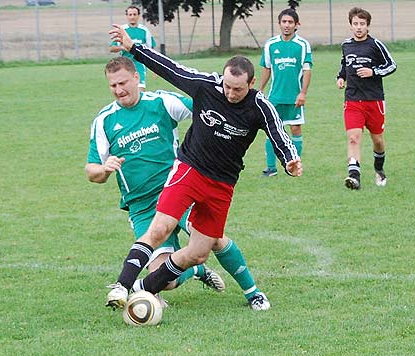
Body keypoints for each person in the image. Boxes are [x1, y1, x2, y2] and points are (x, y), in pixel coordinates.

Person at [105, 25, 303, 312]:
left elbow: (278, 133)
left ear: (250, 85)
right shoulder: (206, 86)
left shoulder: (260, 106)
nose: (230, 93)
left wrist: (289, 159)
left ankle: (142, 289)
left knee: (198, 253)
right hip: (189, 170)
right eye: (227, 86)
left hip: (222, 184)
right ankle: (122, 286)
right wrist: (134, 48)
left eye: (237, 89)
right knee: (160, 228)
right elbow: (170, 68)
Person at [86, 56, 269, 310]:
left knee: (212, 239)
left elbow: (204, 104)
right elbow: (91, 170)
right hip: (141, 207)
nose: (119, 90)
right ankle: (196, 271)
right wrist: (104, 170)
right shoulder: (104, 120)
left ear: (137, 78)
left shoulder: (161, 102)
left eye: (123, 83)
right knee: (166, 281)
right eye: (113, 86)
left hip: (177, 191)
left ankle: (253, 292)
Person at [336, 7, 396, 190]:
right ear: (351, 25)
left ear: (368, 26)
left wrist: (373, 71)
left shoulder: (375, 45)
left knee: (377, 140)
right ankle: (354, 177)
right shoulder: (346, 45)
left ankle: (379, 168)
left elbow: (391, 65)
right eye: (355, 24)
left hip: (374, 100)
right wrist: (341, 78)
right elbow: (344, 65)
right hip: (353, 100)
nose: (359, 27)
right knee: (354, 138)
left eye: (362, 24)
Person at [258, 3, 312, 177]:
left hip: (294, 97)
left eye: (290, 22)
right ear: (279, 23)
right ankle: (271, 168)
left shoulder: (302, 45)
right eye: (284, 21)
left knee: (295, 129)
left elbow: (307, 70)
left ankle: (296, 165)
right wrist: (259, 90)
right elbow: (266, 68)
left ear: (297, 24)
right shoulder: (271, 45)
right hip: (274, 97)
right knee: (271, 131)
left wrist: (303, 93)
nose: (287, 25)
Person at [109, 5, 156, 90]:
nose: (132, 17)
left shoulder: (144, 31)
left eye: (134, 14)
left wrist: (155, 69)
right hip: (125, 65)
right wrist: (123, 47)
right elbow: (112, 48)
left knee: (140, 91)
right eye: (130, 15)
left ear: (138, 16)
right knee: (126, 91)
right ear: (126, 16)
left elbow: (151, 51)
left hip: (140, 65)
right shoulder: (122, 30)